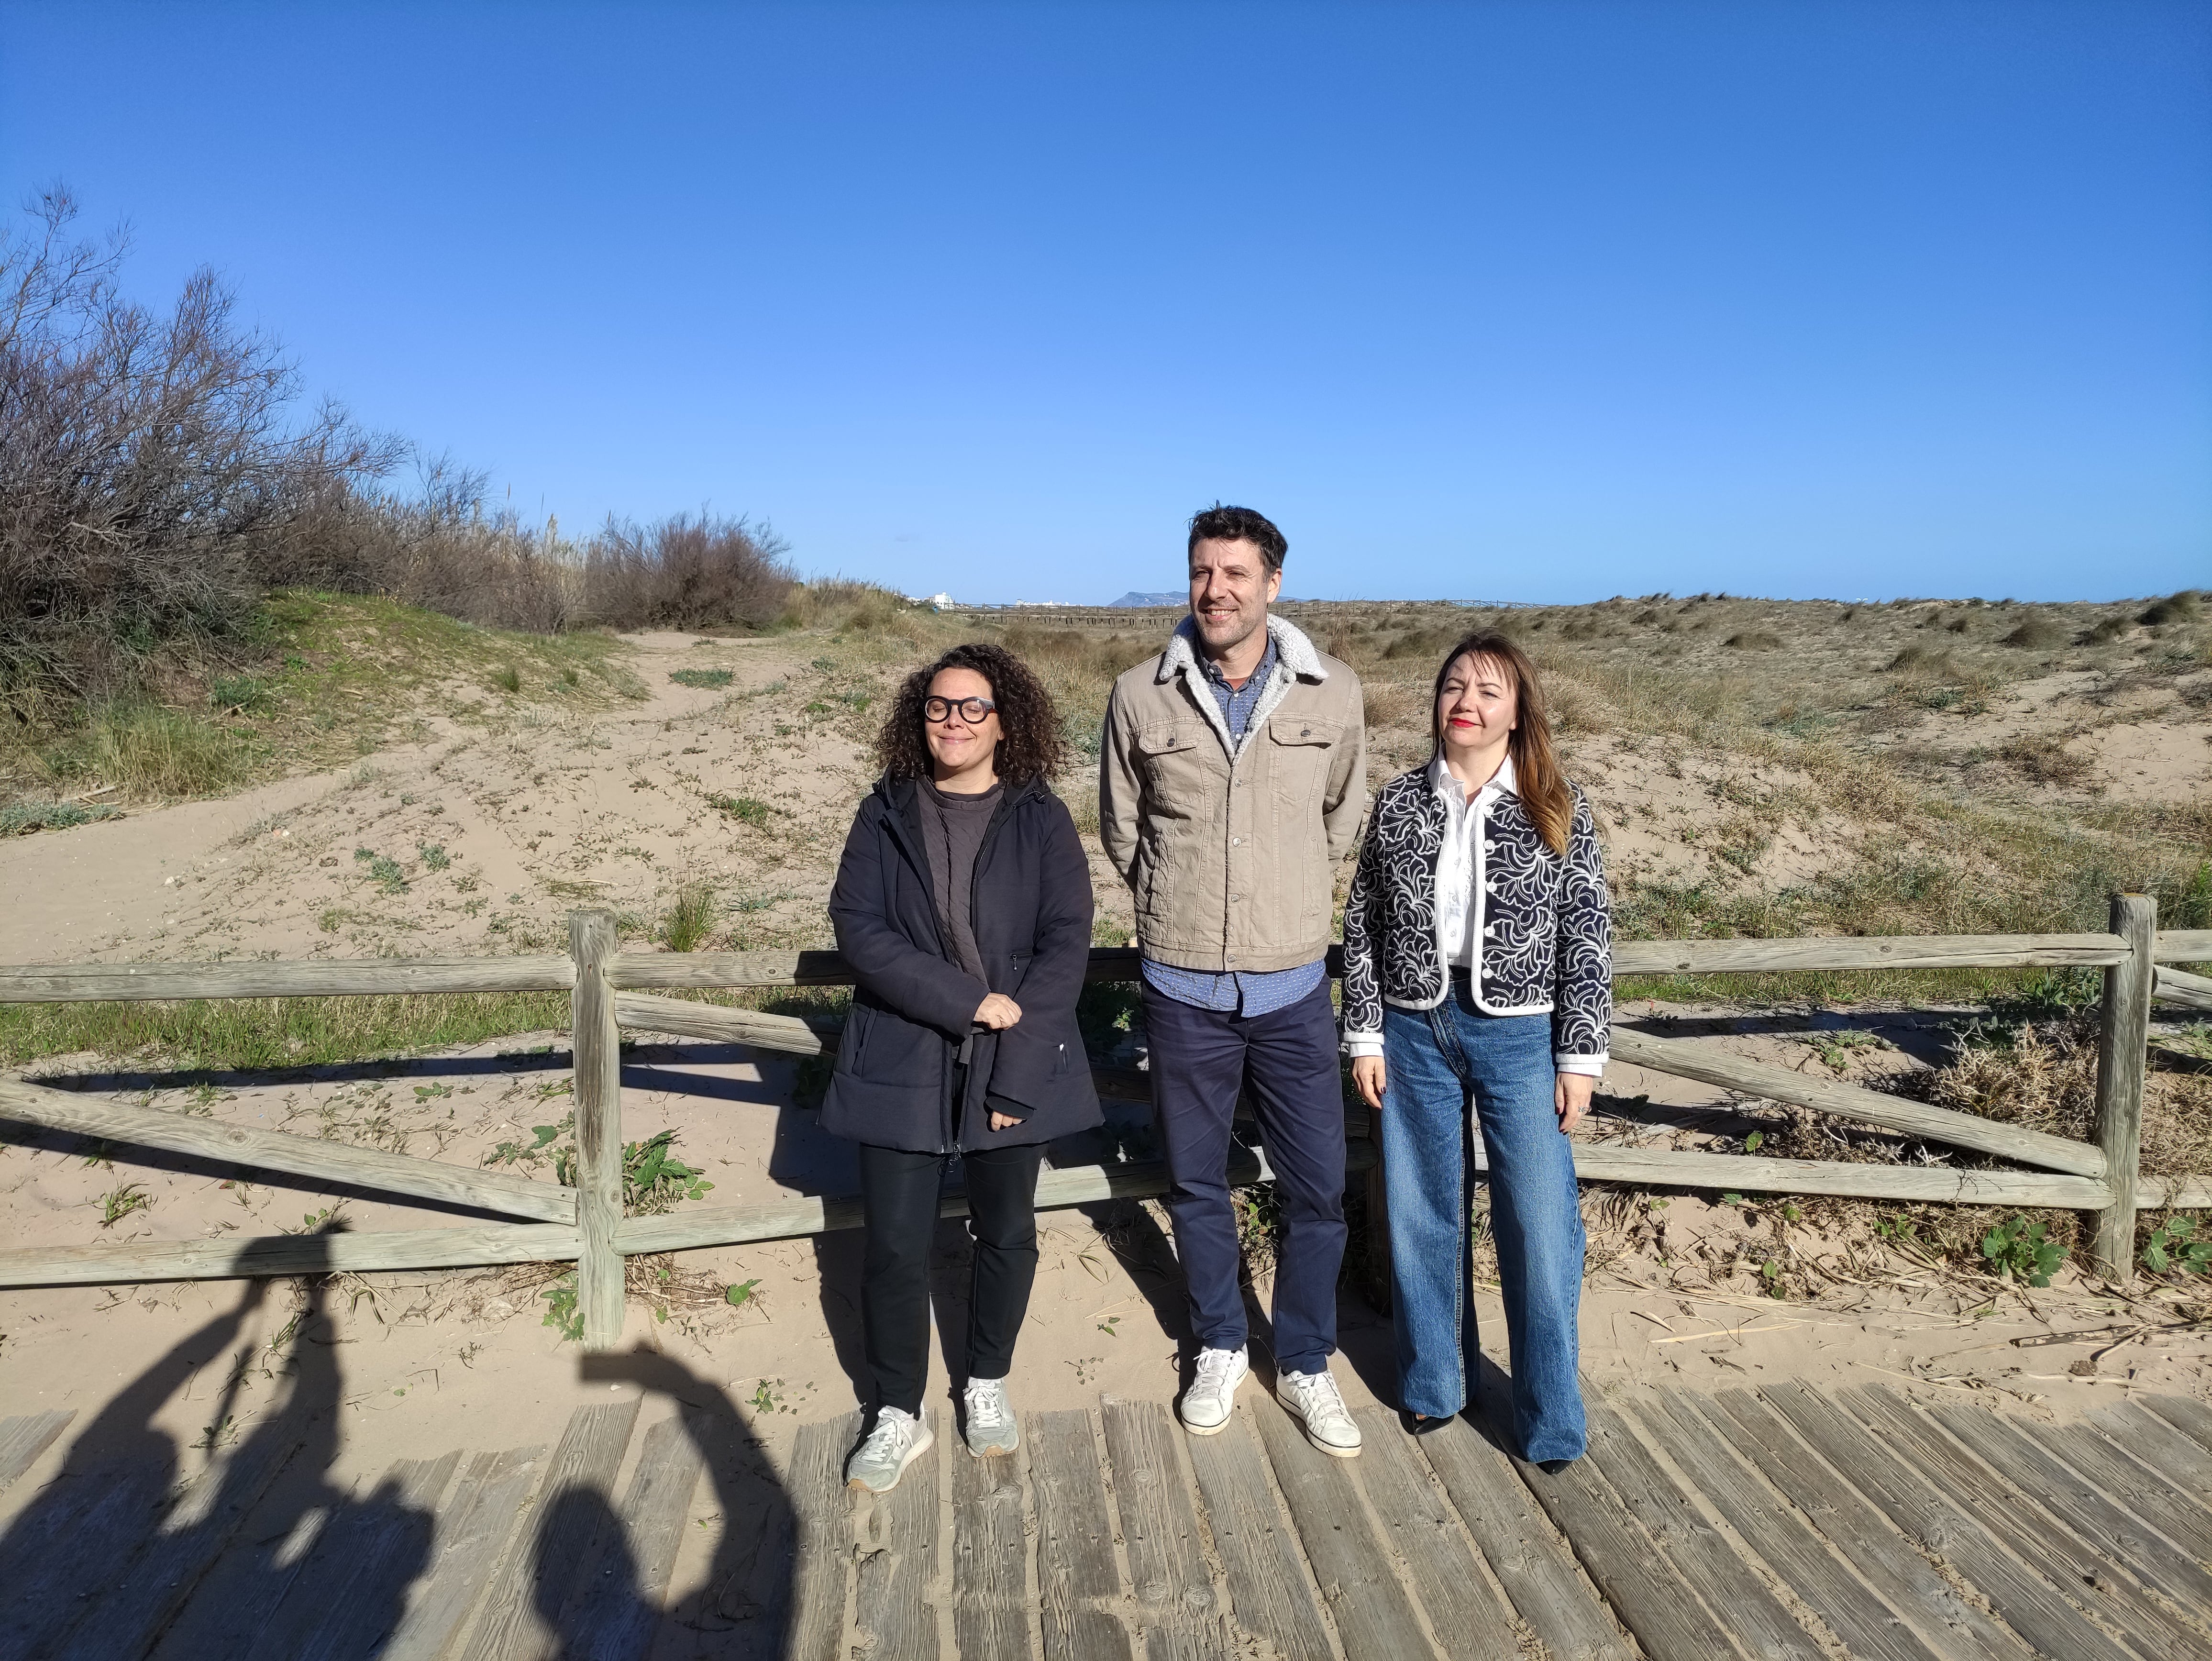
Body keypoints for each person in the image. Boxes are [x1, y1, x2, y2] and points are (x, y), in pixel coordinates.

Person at [1099, 505, 1369, 1456]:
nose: (1215, 589)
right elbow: (1122, 830)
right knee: (1194, 1181)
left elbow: (1342, 815)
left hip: (1292, 989)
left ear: (1272, 584)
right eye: (1201, 572)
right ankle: (1217, 1340)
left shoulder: (1332, 692)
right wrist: (1180, 903)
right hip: (1181, 990)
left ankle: (1302, 1359)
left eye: (1235, 574)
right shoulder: (1138, 694)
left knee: (1317, 1187)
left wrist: (1287, 902)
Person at [823, 642, 1102, 1493]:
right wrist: (964, 1000)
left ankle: (985, 1382)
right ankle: (897, 1412)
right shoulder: (884, 813)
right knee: (895, 1249)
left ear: (1005, 722)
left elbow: (1066, 945)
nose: (954, 721)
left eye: (973, 707)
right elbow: (859, 929)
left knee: (1007, 1234)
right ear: (922, 718)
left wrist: (1016, 1069)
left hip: (1011, 1062)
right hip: (902, 1055)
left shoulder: (1040, 816)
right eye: (940, 707)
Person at [1340, 631, 1611, 1468]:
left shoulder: (1556, 805)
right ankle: (1434, 1388)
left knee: (1539, 1222)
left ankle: (1551, 1419)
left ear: (1519, 710)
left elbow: (1588, 934)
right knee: (1423, 1213)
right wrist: (1366, 1031)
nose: (1469, 701)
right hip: (1415, 1025)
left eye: (1490, 690)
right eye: (1456, 685)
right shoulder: (1399, 801)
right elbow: (1362, 923)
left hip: (1522, 1033)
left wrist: (1581, 1055)